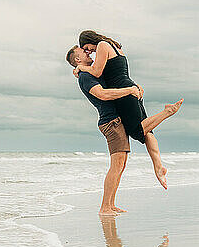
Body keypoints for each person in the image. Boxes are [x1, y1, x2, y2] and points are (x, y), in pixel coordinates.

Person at [73, 30, 183, 190]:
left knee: (137, 131)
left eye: (87, 47)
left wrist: (80, 68)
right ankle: (158, 167)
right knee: (147, 130)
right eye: (86, 51)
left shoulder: (103, 45)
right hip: (131, 87)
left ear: (90, 40)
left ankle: (167, 112)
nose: (89, 51)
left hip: (124, 92)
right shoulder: (115, 46)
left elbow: (96, 71)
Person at [66, 45, 143, 216]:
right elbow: (103, 94)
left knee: (121, 166)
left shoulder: (90, 71)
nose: (88, 52)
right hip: (110, 122)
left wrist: (134, 86)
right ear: (77, 59)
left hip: (116, 120)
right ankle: (104, 207)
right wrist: (130, 90)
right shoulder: (85, 77)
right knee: (116, 166)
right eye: (83, 52)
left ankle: (111, 204)